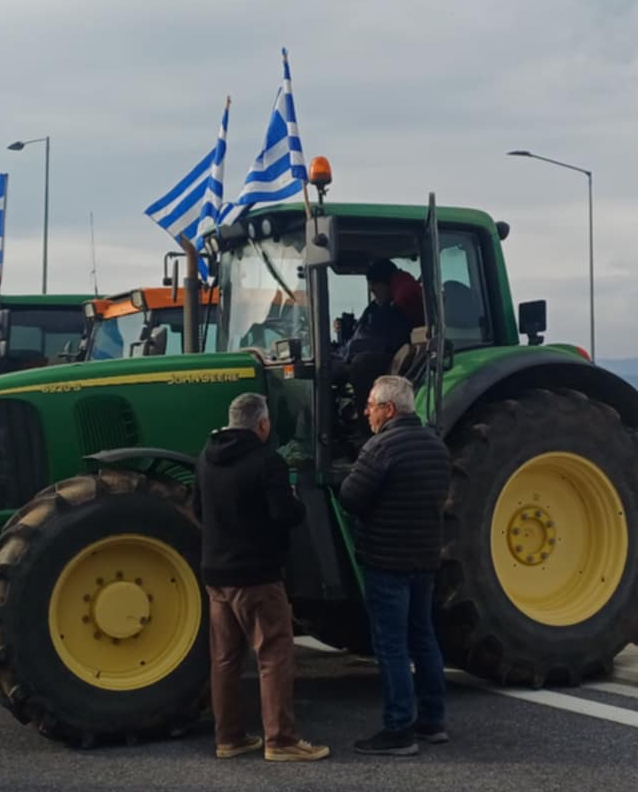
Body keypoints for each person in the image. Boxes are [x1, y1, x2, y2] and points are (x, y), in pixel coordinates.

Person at [193, 392, 329, 763]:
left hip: (215, 574)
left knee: (224, 659)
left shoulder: (205, 458)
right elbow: (285, 515)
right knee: (274, 655)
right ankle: (281, 740)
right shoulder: (267, 461)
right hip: (257, 574)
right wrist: (298, 501)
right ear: (263, 424)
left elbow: (197, 510)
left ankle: (229, 738)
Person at [339, 374, 452, 756]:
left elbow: (352, 497)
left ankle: (399, 729)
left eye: (371, 405)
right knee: (424, 637)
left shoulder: (381, 448)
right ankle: (433, 721)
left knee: (391, 646)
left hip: (387, 561)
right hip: (424, 558)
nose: (365, 411)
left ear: (388, 409)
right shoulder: (436, 446)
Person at [340, 260, 426, 427]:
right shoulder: (376, 308)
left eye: (374, 285)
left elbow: (387, 340)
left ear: (387, 284)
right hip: (368, 348)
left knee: (361, 363)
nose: (372, 290)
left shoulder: (397, 309)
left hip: (391, 354)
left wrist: (352, 351)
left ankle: (366, 429)